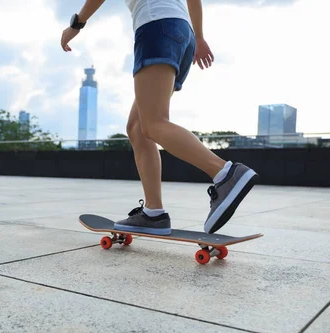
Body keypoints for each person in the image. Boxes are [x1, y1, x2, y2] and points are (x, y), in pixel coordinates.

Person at [61, 0, 258, 235]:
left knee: (153, 123)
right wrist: (199, 37)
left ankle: (225, 174)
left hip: (157, 26)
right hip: (182, 33)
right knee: (137, 127)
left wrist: (76, 24)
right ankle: (154, 214)